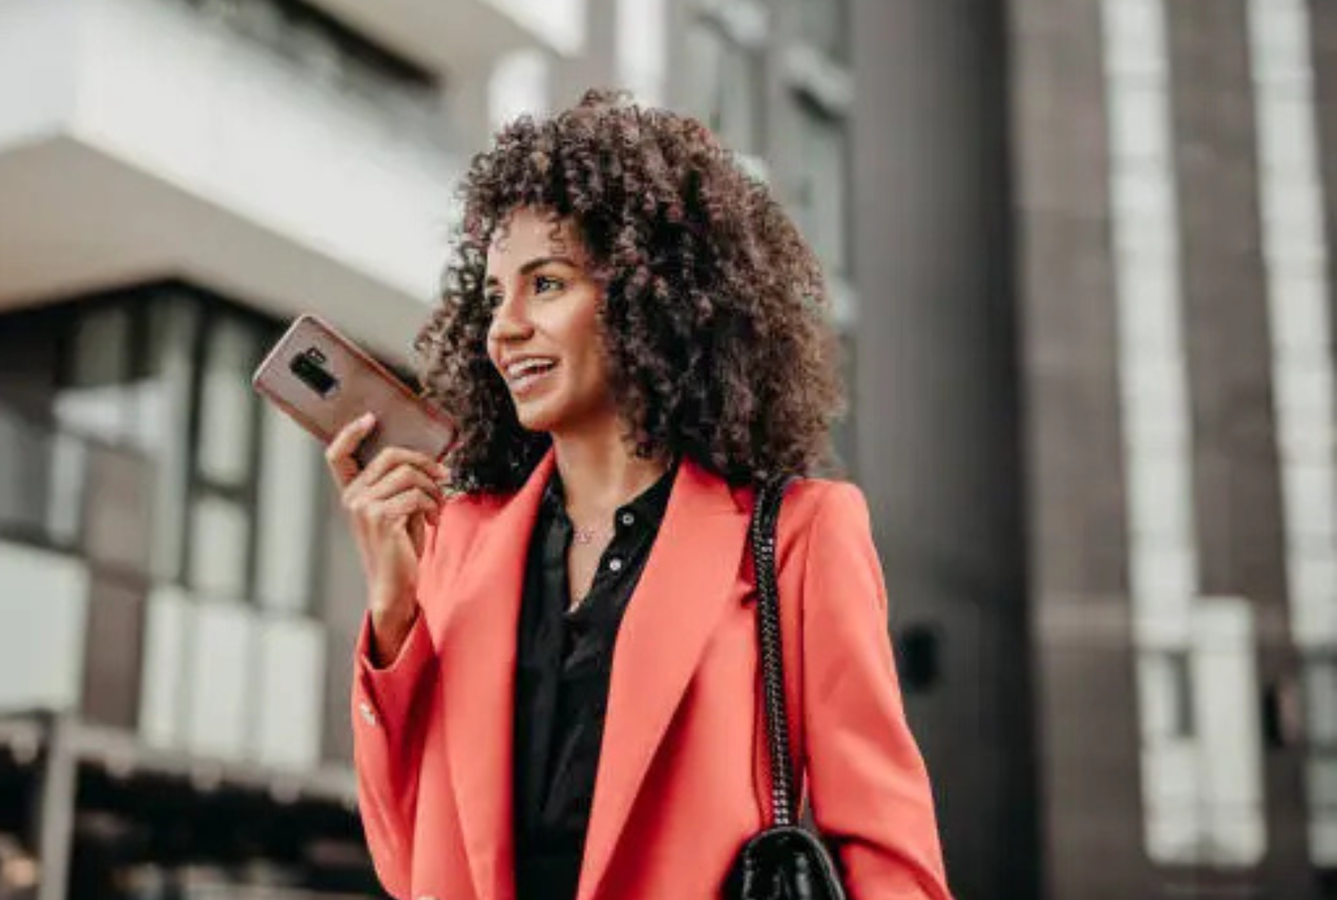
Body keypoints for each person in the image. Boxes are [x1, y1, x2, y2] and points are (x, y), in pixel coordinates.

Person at [323, 90, 953, 900]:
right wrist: (395, 617)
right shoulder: (463, 543)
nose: (503, 326)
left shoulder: (801, 537)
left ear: (645, 294)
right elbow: (406, 862)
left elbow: (891, 863)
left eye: (544, 285)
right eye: (494, 295)